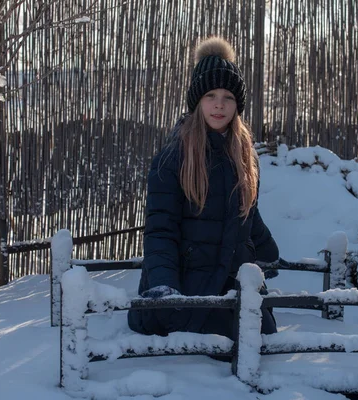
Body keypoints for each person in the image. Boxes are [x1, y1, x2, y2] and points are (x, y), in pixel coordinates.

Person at [127, 36, 279, 341]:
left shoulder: (244, 156)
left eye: (228, 96)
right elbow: (161, 229)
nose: (219, 104)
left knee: (262, 334)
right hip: (184, 285)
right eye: (210, 95)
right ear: (197, 100)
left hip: (231, 280)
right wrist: (164, 286)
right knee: (223, 336)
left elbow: (245, 213)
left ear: (238, 104)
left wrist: (267, 252)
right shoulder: (174, 157)